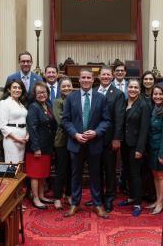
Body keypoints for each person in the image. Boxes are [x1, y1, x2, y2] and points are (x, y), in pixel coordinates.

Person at [61, 69, 111, 218]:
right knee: (75, 175)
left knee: (95, 175)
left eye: (88, 77)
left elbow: (106, 120)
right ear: (79, 79)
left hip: (94, 143)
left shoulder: (101, 98)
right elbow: (65, 120)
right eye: (83, 77)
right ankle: (75, 204)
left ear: (93, 79)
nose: (86, 80)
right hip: (76, 143)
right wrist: (75, 134)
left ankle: (97, 204)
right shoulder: (71, 97)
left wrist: (96, 132)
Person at [116, 79, 150, 217]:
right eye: (130, 87)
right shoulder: (124, 103)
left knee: (136, 174)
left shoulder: (143, 105)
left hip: (136, 145)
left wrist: (140, 149)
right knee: (128, 171)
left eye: (136, 87)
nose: (133, 90)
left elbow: (144, 129)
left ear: (139, 89)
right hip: (125, 144)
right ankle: (130, 197)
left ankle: (137, 203)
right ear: (127, 88)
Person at [96, 66, 125, 213]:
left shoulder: (118, 94)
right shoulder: (93, 91)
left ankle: (109, 199)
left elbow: (119, 118)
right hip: (94, 139)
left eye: (108, 74)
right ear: (99, 76)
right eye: (103, 74)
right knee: (96, 170)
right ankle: (98, 198)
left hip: (110, 139)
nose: (106, 77)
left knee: (110, 170)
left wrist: (117, 138)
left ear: (112, 76)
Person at [26, 82, 56, 209]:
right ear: (34, 95)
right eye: (38, 93)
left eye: (44, 92)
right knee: (35, 174)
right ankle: (36, 198)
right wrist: (36, 147)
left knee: (43, 173)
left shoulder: (48, 105)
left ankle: (42, 195)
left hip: (47, 146)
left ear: (48, 93)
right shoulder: (33, 107)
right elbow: (32, 128)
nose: (41, 95)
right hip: (36, 147)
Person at [147, 85, 163, 215]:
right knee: (155, 175)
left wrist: (162, 154)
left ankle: (161, 202)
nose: (157, 96)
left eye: (160, 94)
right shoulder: (153, 109)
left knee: (161, 175)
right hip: (151, 148)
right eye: (155, 94)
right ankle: (158, 200)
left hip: (161, 149)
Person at [52, 76, 73, 210]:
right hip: (62, 141)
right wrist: (76, 130)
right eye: (63, 86)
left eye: (68, 86)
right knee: (61, 170)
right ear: (60, 88)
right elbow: (61, 121)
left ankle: (69, 194)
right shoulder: (57, 101)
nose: (66, 88)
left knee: (72, 170)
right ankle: (57, 197)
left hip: (75, 141)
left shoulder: (76, 99)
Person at [0, 79, 28, 163]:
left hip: (22, 138)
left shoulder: (21, 104)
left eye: (19, 88)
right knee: (12, 167)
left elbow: (24, 120)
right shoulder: (4, 103)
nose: (17, 90)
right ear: (9, 89)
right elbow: (3, 126)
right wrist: (16, 138)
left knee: (19, 167)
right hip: (12, 139)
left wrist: (27, 134)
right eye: (14, 87)